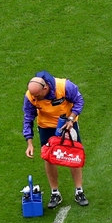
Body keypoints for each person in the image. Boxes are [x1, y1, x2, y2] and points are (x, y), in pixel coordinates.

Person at [22, 70, 89, 208]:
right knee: (48, 157)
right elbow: (28, 117)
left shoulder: (64, 86)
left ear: (45, 88)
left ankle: (79, 191)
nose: (35, 97)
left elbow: (79, 100)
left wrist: (71, 119)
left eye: (37, 94)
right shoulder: (30, 96)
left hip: (68, 124)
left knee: (73, 155)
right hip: (46, 127)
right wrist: (29, 142)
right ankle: (55, 193)